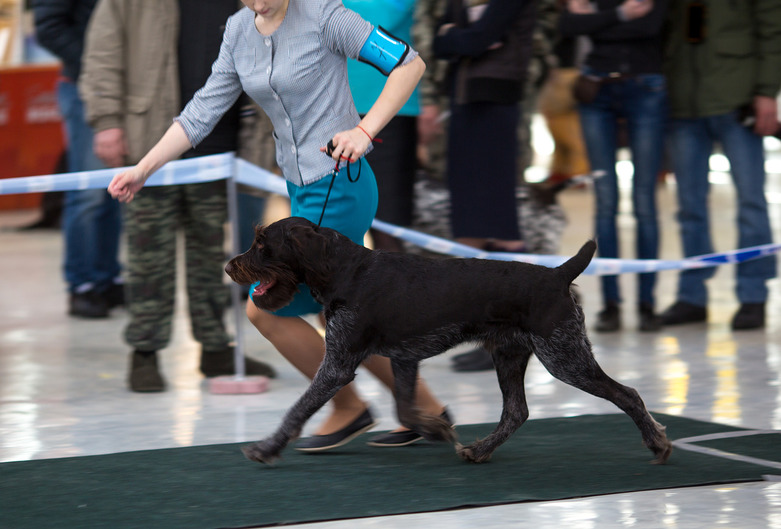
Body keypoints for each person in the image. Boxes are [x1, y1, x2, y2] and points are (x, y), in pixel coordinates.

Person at [101, 0, 450, 450]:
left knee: (263, 308)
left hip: (338, 185)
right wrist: (142, 168)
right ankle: (423, 410)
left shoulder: (327, 15)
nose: (258, 2)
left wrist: (363, 132)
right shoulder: (238, 30)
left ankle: (351, 408)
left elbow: (408, 63)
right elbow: (202, 110)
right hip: (302, 191)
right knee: (343, 314)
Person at [80, 0, 276, 392]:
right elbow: (102, 52)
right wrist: (106, 120)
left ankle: (215, 347)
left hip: (219, 150)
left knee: (211, 257)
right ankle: (145, 352)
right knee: (148, 258)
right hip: (152, 146)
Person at [660, 0, 780, 330]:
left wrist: (767, 91)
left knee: (751, 203)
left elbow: (773, 30)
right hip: (684, 102)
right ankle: (692, 297)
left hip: (737, 97)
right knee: (689, 207)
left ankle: (754, 295)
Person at [559, 0, 668, 333]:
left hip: (646, 87)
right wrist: (620, 15)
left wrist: (596, 20)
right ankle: (611, 305)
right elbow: (568, 26)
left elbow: (650, 25)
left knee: (645, 200)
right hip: (596, 91)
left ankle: (647, 304)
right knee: (605, 201)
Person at [33, 0, 123, 319]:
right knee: (87, 194)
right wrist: (98, 65)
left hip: (120, 89)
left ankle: (108, 276)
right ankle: (81, 284)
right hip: (85, 87)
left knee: (116, 191)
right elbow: (48, 27)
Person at [343, 0, 420, 253]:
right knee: (336, 222)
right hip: (336, 108)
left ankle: (399, 292)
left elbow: (383, 16)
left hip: (391, 113)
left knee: (387, 225)